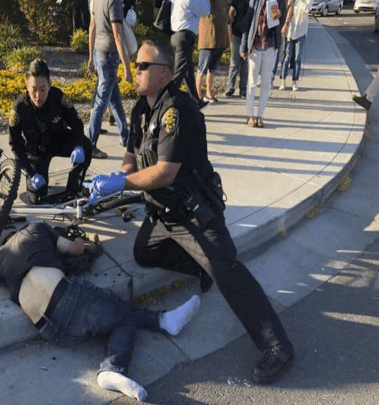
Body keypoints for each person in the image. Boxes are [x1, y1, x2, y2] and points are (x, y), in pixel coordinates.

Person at [87, 40, 295, 385]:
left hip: (192, 213)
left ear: (164, 73)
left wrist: (122, 185)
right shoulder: (140, 110)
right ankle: (201, 269)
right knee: (144, 252)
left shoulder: (177, 110)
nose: (135, 70)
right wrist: (116, 177)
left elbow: (165, 172)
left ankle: (277, 347)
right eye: (136, 65)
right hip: (162, 213)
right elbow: (131, 157)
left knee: (228, 271)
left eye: (142, 66)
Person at [0, 221, 202, 401]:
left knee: (110, 311)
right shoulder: (34, 228)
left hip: (49, 330)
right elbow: (75, 249)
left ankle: (164, 321)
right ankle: (116, 365)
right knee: (123, 318)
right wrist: (79, 241)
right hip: (67, 298)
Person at [8, 59, 92, 205]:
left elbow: (76, 123)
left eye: (43, 89)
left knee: (86, 146)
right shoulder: (19, 108)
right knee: (37, 199)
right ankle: (38, 183)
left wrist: (78, 145)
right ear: (26, 85)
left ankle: (74, 187)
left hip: (58, 141)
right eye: (33, 89)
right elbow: (15, 144)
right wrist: (31, 173)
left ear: (49, 84)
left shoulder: (57, 97)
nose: (38, 96)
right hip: (37, 151)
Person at [87, 0, 133, 159]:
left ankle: (125, 136)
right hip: (109, 55)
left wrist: (91, 57)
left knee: (114, 97)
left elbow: (92, 26)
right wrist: (127, 66)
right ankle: (90, 145)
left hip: (98, 52)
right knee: (101, 102)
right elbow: (117, 35)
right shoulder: (114, 2)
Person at [241, 0, 287, 128]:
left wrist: (281, 15)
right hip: (255, 45)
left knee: (266, 83)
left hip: (270, 45)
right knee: (252, 82)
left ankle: (260, 115)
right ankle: (250, 115)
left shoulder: (279, 1)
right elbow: (247, 23)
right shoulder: (255, 1)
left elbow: (283, 20)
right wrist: (243, 47)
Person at [170, 0, 211, 106]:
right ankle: (164, 100)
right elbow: (206, 10)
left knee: (188, 72)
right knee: (178, 73)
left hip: (177, 36)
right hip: (184, 36)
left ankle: (195, 101)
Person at [196, 0, 229, 102]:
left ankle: (209, 93)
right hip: (208, 39)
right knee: (202, 68)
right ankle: (197, 94)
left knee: (213, 68)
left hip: (219, 39)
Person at [278, 0, 312, 91]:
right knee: (287, 57)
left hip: (301, 31)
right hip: (290, 31)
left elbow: (307, 9)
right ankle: (282, 81)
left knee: (297, 58)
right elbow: (284, 8)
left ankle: (295, 81)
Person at [225, 0, 251, 98]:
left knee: (245, 62)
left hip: (248, 34)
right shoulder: (236, 1)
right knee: (234, 62)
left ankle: (243, 89)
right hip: (236, 33)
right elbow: (230, 13)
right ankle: (230, 88)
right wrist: (229, 32)